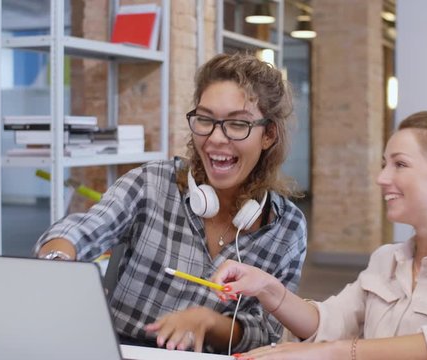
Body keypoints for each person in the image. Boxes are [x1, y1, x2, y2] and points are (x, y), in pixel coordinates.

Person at [34, 52, 307, 354]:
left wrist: (210, 323)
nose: (216, 138)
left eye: (237, 124)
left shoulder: (287, 228)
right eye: (205, 119)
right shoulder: (151, 182)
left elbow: (265, 333)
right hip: (121, 349)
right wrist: (56, 265)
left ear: (268, 135)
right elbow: (80, 230)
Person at [212, 110, 427, 359]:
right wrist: (267, 288)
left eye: (399, 165)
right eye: (385, 164)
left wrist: (339, 352)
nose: (382, 178)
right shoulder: (386, 260)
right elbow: (328, 322)